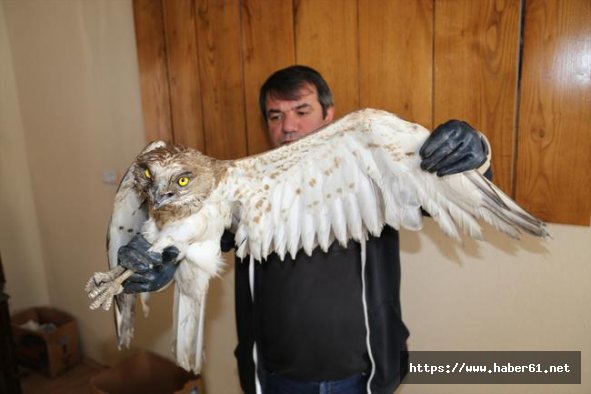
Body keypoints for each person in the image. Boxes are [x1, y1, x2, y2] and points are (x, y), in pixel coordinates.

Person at [119, 65, 492, 394]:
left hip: (360, 375)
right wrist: (161, 262)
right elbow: (199, 240)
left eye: (301, 111)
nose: (288, 126)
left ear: (329, 114)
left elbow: (449, 189)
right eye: (275, 116)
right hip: (277, 377)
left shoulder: (373, 174)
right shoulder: (241, 189)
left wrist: (474, 154)